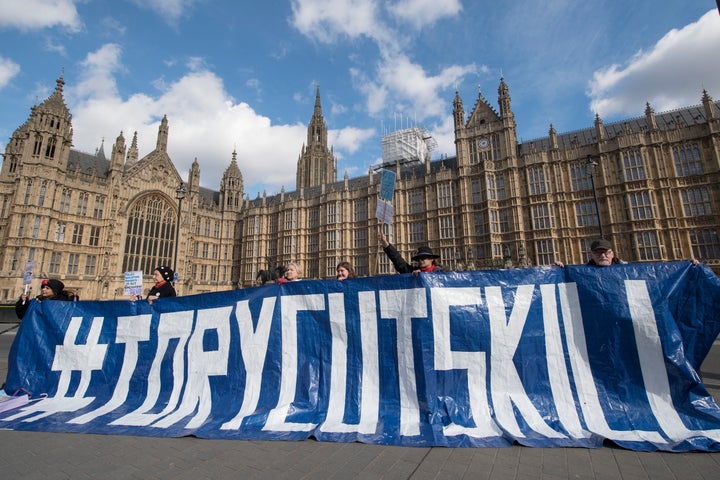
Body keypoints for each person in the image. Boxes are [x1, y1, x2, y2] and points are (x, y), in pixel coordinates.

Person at [378, 230, 443, 274]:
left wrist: (424, 275)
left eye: (423, 258)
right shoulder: (414, 273)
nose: (420, 260)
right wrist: (385, 243)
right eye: (418, 259)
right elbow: (399, 262)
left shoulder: (442, 272)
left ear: (431, 259)